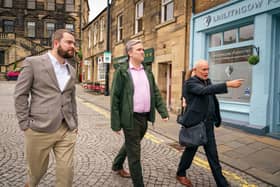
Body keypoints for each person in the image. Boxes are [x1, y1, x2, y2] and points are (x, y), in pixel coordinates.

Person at [14, 29, 78, 187]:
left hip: (66, 129)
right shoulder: (32, 63)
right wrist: (25, 124)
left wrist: (74, 123)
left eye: (74, 43)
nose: (73, 46)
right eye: (69, 42)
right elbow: (20, 94)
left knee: (66, 172)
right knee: (36, 174)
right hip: (38, 129)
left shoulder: (72, 69)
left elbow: (71, 97)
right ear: (56, 43)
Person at [176, 59, 244, 187]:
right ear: (196, 70)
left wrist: (216, 117)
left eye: (208, 69)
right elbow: (203, 91)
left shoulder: (207, 81)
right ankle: (180, 173)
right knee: (189, 152)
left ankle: (222, 183)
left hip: (208, 125)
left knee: (213, 155)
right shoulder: (190, 83)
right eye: (204, 69)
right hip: (195, 125)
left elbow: (212, 98)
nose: (207, 72)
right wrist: (227, 84)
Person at [111, 39, 169, 187]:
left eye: (143, 49)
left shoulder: (147, 71)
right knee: (135, 153)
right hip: (130, 118)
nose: (142, 52)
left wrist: (163, 111)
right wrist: (116, 124)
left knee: (132, 144)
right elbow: (115, 98)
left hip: (144, 118)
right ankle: (139, 184)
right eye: (139, 50)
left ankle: (117, 165)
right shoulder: (122, 72)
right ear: (130, 53)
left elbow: (155, 92)